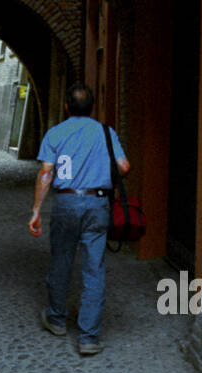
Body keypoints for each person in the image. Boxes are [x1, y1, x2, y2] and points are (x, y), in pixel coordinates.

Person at [28, 82, 130, 356]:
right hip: (97, 204)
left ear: (66, 107)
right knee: (94, 268)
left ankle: (57, 319)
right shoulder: (106, 133)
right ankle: (88, 337)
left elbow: (46, 173)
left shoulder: (56, 133)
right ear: (92, 107)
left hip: (66, 202)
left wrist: (37, 209)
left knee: (61, 261)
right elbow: (124, 166)